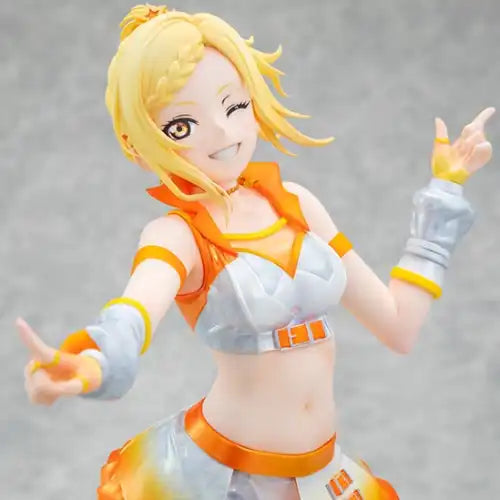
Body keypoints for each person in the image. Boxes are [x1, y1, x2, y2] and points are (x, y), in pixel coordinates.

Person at [18, 4, 494, 499]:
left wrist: (445, 192)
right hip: (221, 479)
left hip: (323, 476)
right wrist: (97, 361)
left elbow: (398, 325)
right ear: (136, 144)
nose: (224, 133)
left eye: (234, 106)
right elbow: (137, 308)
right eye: (182, 125)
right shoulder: (177, 235)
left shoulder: (298, 204)